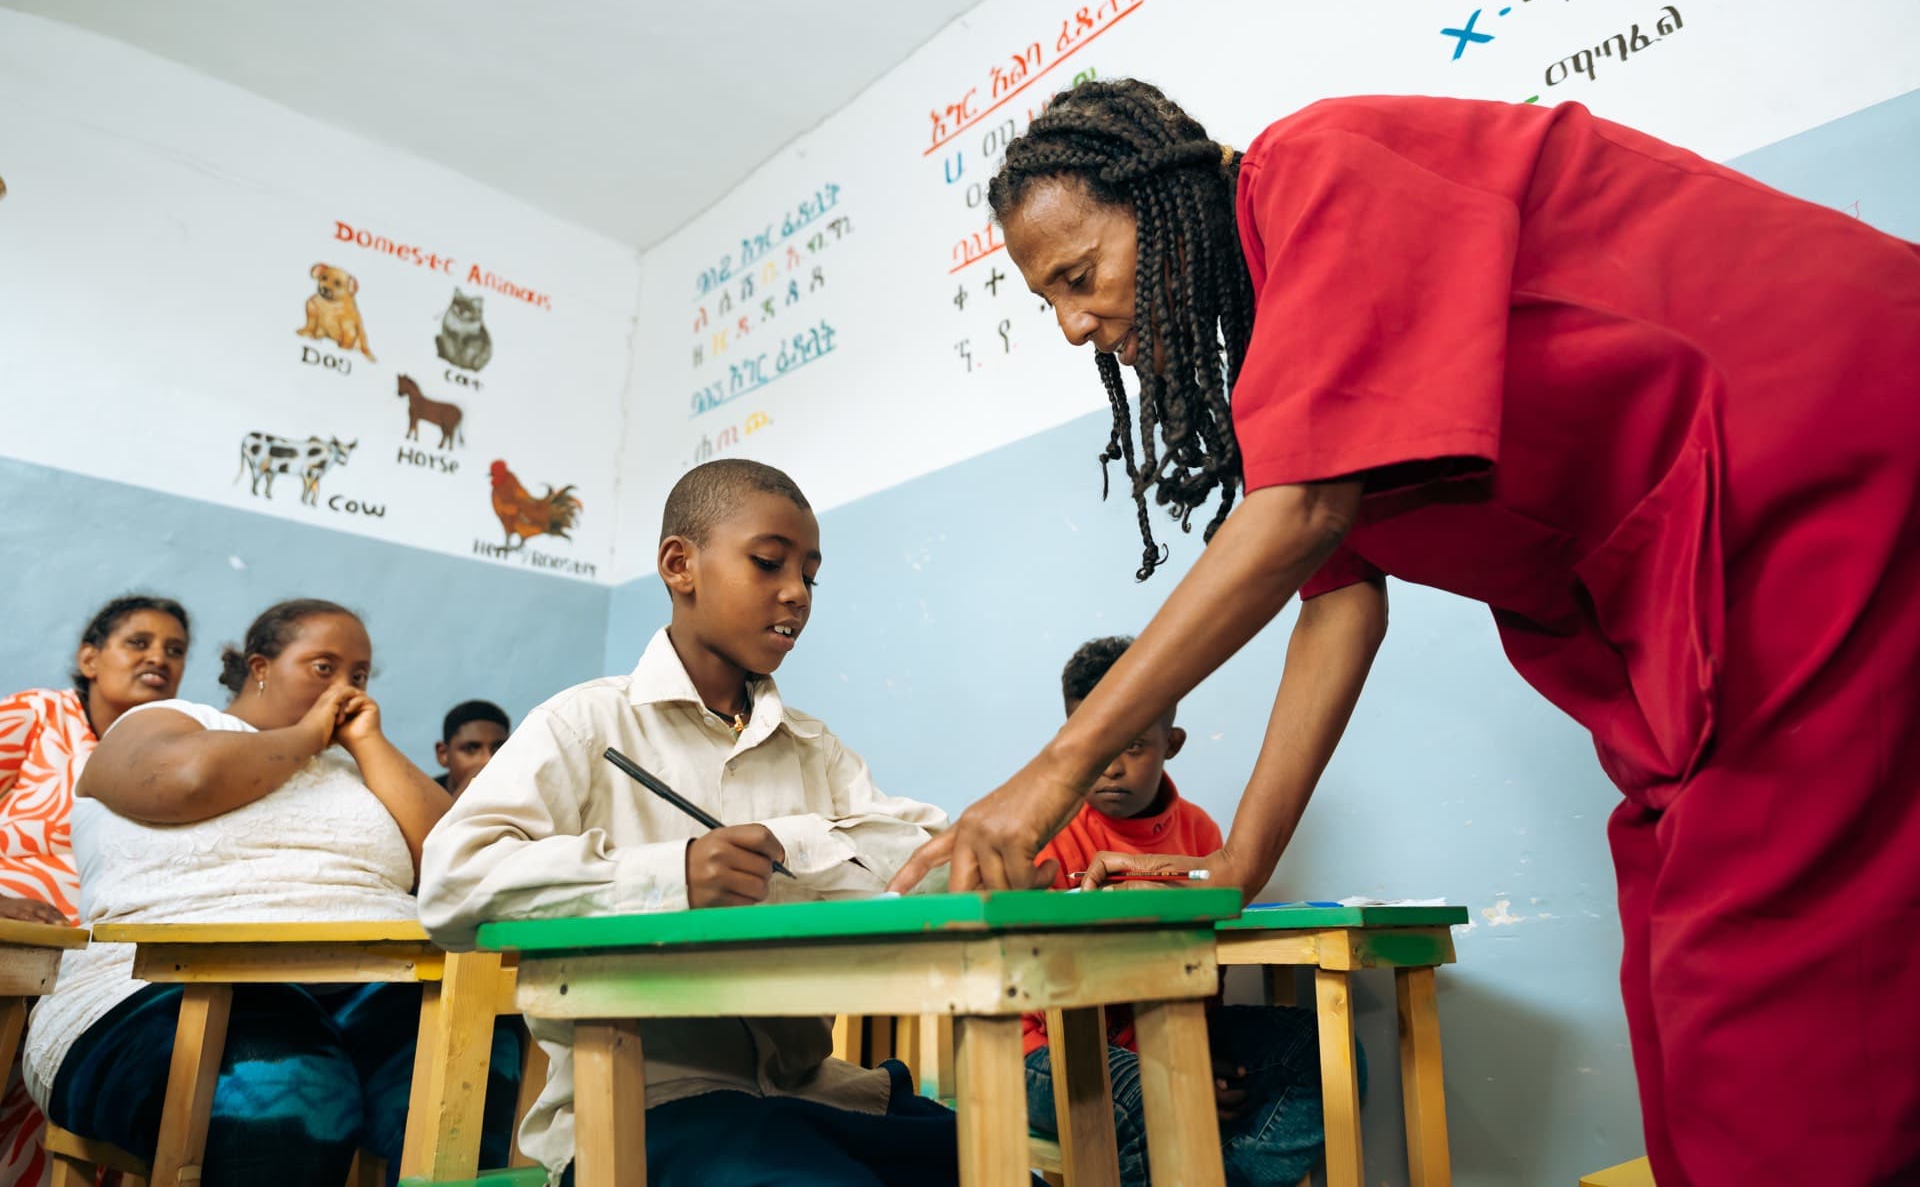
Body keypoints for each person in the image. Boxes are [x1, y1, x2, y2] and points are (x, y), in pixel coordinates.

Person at [889, 79, 1920, 1186]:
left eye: (1079, 276)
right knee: (1673, 995)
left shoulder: (1318, 169)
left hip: (1822, 470)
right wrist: (1239, 862)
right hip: (1689, 612)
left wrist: (1051, 775)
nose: (1072, 325)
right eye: (1047, 299)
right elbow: (1339, 598)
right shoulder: (1287, 356)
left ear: (1166, 201)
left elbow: (1301, 517)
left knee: (1768, 1027)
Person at [419, 458, 962, 1187]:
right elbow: (453, 885)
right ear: (680, 565)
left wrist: (800, 842)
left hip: (811, 1092)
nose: (796, 593)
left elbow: (917, 856)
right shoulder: (586, 725)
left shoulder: (814, 747)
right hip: (640, 1110)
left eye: (810, 575)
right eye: (768, 563)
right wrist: (669, 874)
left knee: (995, 1164)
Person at [23, 599, 521, 1187]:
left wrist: (368, 742)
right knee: (290, 1081)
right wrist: (307, 735)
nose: (347, 688)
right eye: (324, 667)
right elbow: (185, 782)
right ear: (260, 666)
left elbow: (458, 864)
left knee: (480, 1059)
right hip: (162, 989)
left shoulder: (362, 765)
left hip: (372, 985)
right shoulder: (169, 721)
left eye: (360, 675)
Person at [1023, 637, 1327, 1187]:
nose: (1110, 767)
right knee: (1159, 1096)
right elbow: (1050, 997)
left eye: (1133, 745)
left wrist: (1191, 1053)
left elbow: (1207, 969)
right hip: (1050, 1051)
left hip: (1176, 1035)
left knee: (1320, 1051)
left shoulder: (1203, 836)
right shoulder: (1048, 836)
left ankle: (1220, 1175)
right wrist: (1176, 1072)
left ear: (1173, 742)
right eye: (1092, 745)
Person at [0, 596, 190, 1187]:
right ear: (90, 659)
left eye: (175, 650)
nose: (158, 658)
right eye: (138, 642)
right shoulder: (38, 715)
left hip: (95, 966)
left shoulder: (177, 757)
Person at [435, 699, 510, 799]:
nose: (487, 760)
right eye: (471, 749)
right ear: (443, 754)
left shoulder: (523, 793)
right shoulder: (421, 796)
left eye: (499, 748)